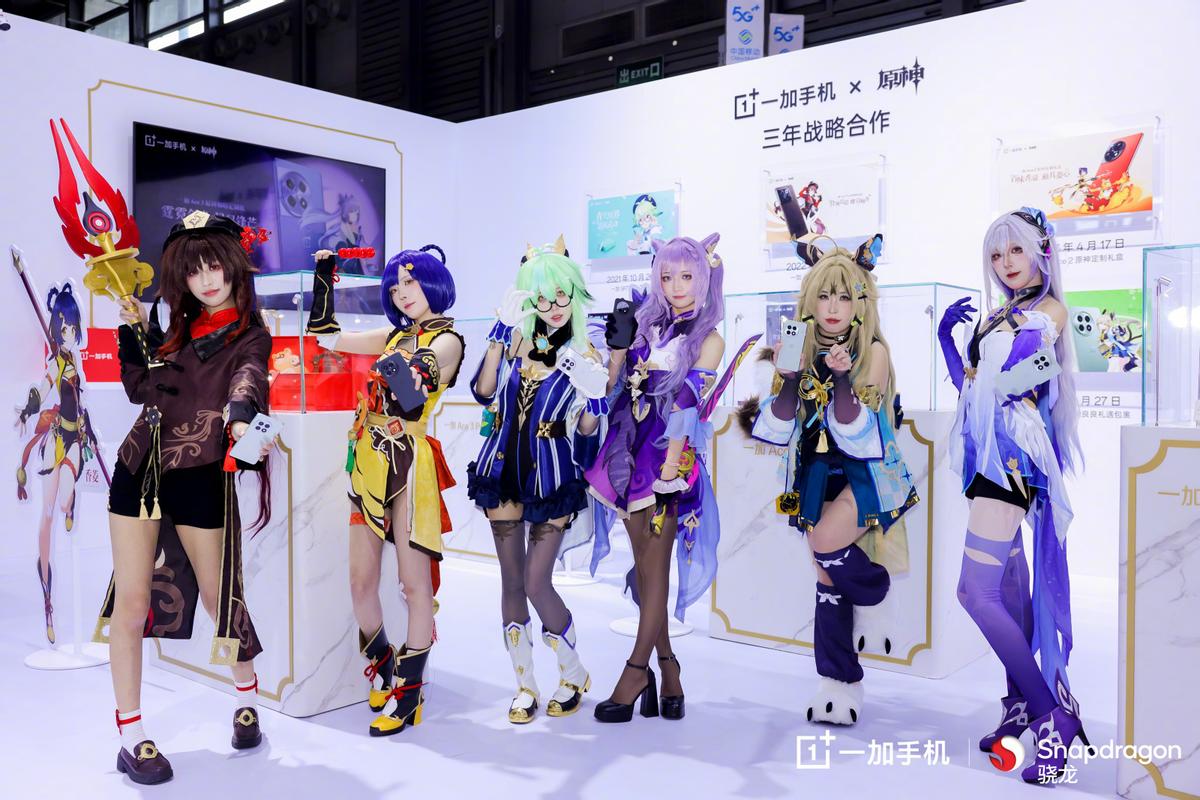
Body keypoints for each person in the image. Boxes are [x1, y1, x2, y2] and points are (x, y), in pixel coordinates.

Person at [97, 212, 276, 784]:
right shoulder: (172, 329)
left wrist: (241, 417)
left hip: (200, 473)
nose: (206, 279)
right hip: (139, 469)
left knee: (220, 597)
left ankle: (246, 698)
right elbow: (139, 389)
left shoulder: (251, 332)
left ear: (233, 266)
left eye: (214, 266)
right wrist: (132, 333)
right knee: (132, 603)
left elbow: (249, 376)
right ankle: (131, 736)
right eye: (194, 271)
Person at [938, 207, 1087, 785]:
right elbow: (973, 389)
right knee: (1003, 589)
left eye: (1016, 250)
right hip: (984, 458)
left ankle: (1052, 716)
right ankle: (1021, 703)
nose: (1005, 263)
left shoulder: (1051, 311)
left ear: (1041, 251)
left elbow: (1024, 379)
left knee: (974, 593)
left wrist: (1011, 348)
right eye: (996, 255)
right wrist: (950, 343)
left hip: (1011, 463)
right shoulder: (1003, 313)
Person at [743, 236, 917, 725]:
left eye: (843, 296)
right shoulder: (799, 348)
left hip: (867, 473)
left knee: (824, 544)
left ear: (861, 302)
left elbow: (859, 430)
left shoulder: (873, 352)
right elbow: (776, 428)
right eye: (823, 296)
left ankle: (876, 592)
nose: (833, 307)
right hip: (815, 473)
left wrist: (840, 379)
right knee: (825, 576)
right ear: (809, 302)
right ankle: (838, 684)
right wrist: (789, 379)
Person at [312, 243, 464, 736]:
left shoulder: (449, 340)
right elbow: (327, 337)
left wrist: (397, 364)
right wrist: (324, 276)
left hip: (409, 464)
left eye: (411, 282)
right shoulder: (393, 336)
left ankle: (409, 694)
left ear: (433, 282)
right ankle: (383, 666)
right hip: (368, 461)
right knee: (360, 581)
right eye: (395, 287)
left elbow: (414, 391)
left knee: (413, 585)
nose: (402, 294)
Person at [585, 233, 725, 723]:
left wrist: (670, 471)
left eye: (686, 276)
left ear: (704, 278)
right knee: (645, 570)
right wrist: (617, 351)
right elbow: (610, 387)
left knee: (657, 566)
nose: (676, 286)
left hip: (669, 458)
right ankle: (668, 668)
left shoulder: (709, 339)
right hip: (627, 450)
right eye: (667, 277)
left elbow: (689, 407)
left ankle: (634, 671)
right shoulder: (647, 326)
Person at [468, 238, 609, 723]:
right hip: (501, 467)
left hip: (552, 474)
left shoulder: (584, 352)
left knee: (535, 580)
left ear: (575, 293)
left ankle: (572, 672)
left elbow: (587, 438)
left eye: (561, 295)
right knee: (511, 581)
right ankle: (525, 685)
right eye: (542, 298)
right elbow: (484, 391)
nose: (553, 307)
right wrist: (497, 332)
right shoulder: (513, 340)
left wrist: (594, 403)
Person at [15, 281, 94, 644]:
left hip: (76, 438)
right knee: (46, 518)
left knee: (63, 502)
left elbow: (82, 401)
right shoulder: (58, 361)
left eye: (72, 328)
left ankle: (70, 502)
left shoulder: (76, 360)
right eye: (63, 329)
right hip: (58, 438)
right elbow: (43, 387)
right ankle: (47, 600)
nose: (69, 334)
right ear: (55, 329)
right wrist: (28, 409)